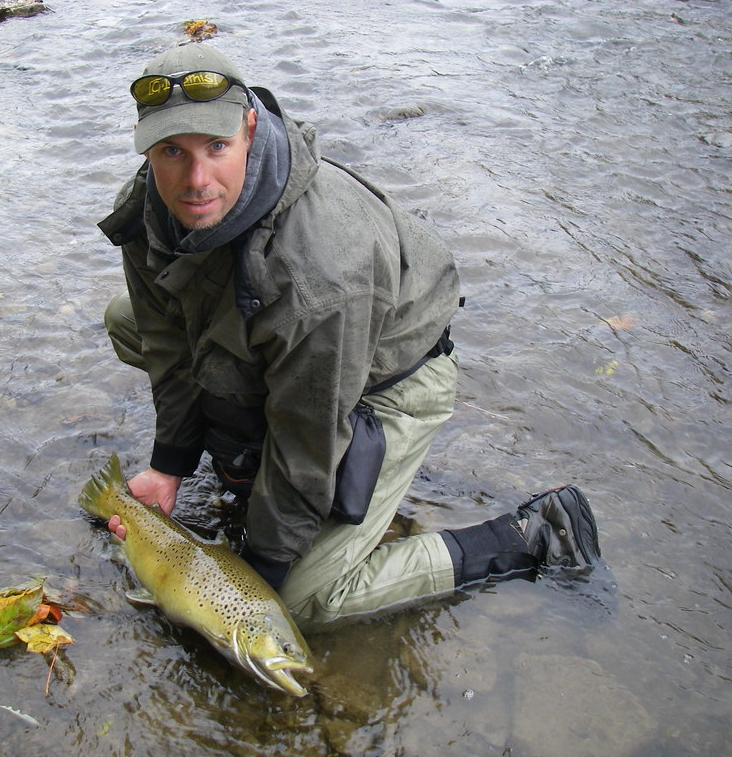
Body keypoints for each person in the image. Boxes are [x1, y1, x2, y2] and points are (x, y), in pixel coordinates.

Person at [98, 42, 600, 630]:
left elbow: (308, 437)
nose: (196, 179)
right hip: (302, 353)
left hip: (389, 379)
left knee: (303, 602)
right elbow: (165, 341)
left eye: (217, 147)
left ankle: (531, 537)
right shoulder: (147, 209)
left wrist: (258, 577)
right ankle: (248, 455)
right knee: (126, 318)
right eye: (172, 152)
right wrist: (170, 464)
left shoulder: (321, 272)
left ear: (251, 128)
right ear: (145, 145)